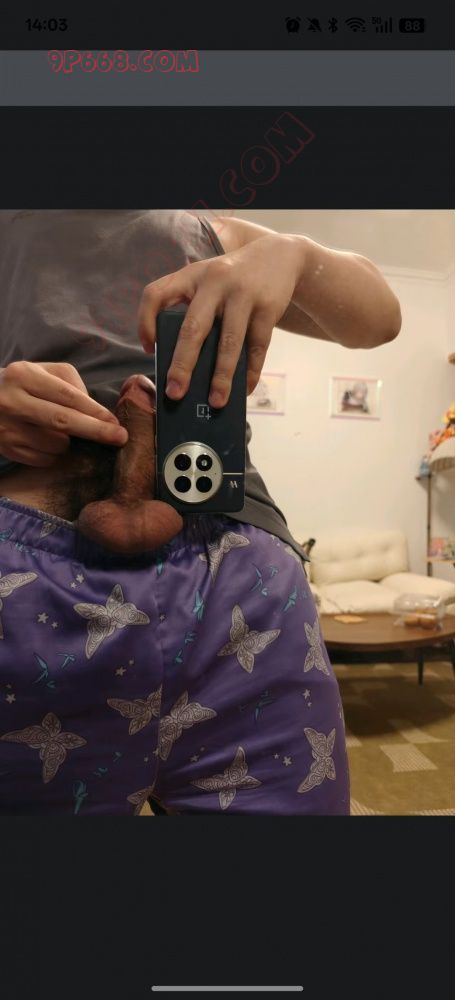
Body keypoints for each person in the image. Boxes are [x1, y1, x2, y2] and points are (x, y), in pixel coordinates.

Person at [0, 210, 401, 816]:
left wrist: (295, 256)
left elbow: (380, 318)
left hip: (238, 576)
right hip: (33, 583)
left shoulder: (217, 232)